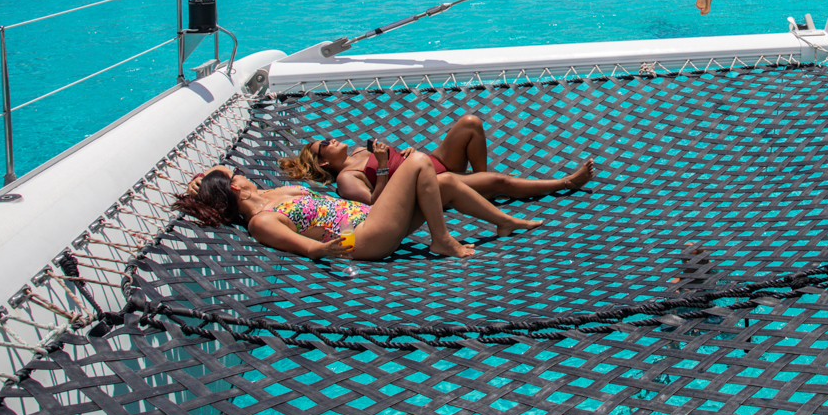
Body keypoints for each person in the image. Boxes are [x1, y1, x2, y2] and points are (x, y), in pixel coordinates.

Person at [280, 113, 596, 237]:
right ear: (323, 164)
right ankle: (566, 181)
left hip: (435, 162)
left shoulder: (360, 153)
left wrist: (398, 156)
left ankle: (479, 189)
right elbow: (375, 208)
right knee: (501, 181)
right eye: (325, 144)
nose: (330, 139)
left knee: (471, 123)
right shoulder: (346, 179)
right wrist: (387, 168)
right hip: (432, 185)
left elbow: (397, 165)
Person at [174, 157, 476, 260]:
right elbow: (308, 248)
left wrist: (204, 180)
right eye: (235, 174)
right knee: (418, 162)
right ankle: (442, 241)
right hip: (366, 237)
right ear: (236, 188)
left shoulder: (269, 194)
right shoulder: (260, 221)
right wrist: (327, 248)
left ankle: (508, 223)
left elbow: (220, 172)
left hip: (376, 218)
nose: (238, 172)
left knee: (444, 183)